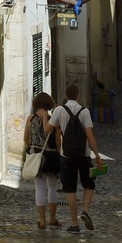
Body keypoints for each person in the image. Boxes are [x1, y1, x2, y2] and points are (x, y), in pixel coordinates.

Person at [50, 81, 104, 232]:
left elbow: (49, 128)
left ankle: (74, 224)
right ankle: (85, 210)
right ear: (78, 96)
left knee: (70, 190)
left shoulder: (59, 110)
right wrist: (97, 156)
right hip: (83, 154)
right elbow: (89, 135)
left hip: (66, 156)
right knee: (88, 184)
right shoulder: (84, 111)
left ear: (66, 96)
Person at [23, 91, 61, 229]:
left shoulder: (30, 119)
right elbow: (58, 143)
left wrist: (31, 148)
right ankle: (52, 218)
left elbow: (26, 138)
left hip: (35, 155)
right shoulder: (54, 120)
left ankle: (42, 220)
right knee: (52, 188)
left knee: (39, 188)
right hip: (51, 156)